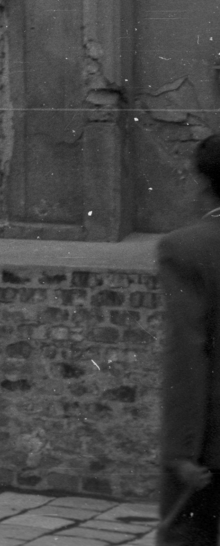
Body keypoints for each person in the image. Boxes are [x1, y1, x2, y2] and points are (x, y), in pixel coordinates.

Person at [158, 133, 220, 543]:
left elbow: (188, 355)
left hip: (210, 451)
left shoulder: (188, 247)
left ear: (203, 180)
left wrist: (180, 452)